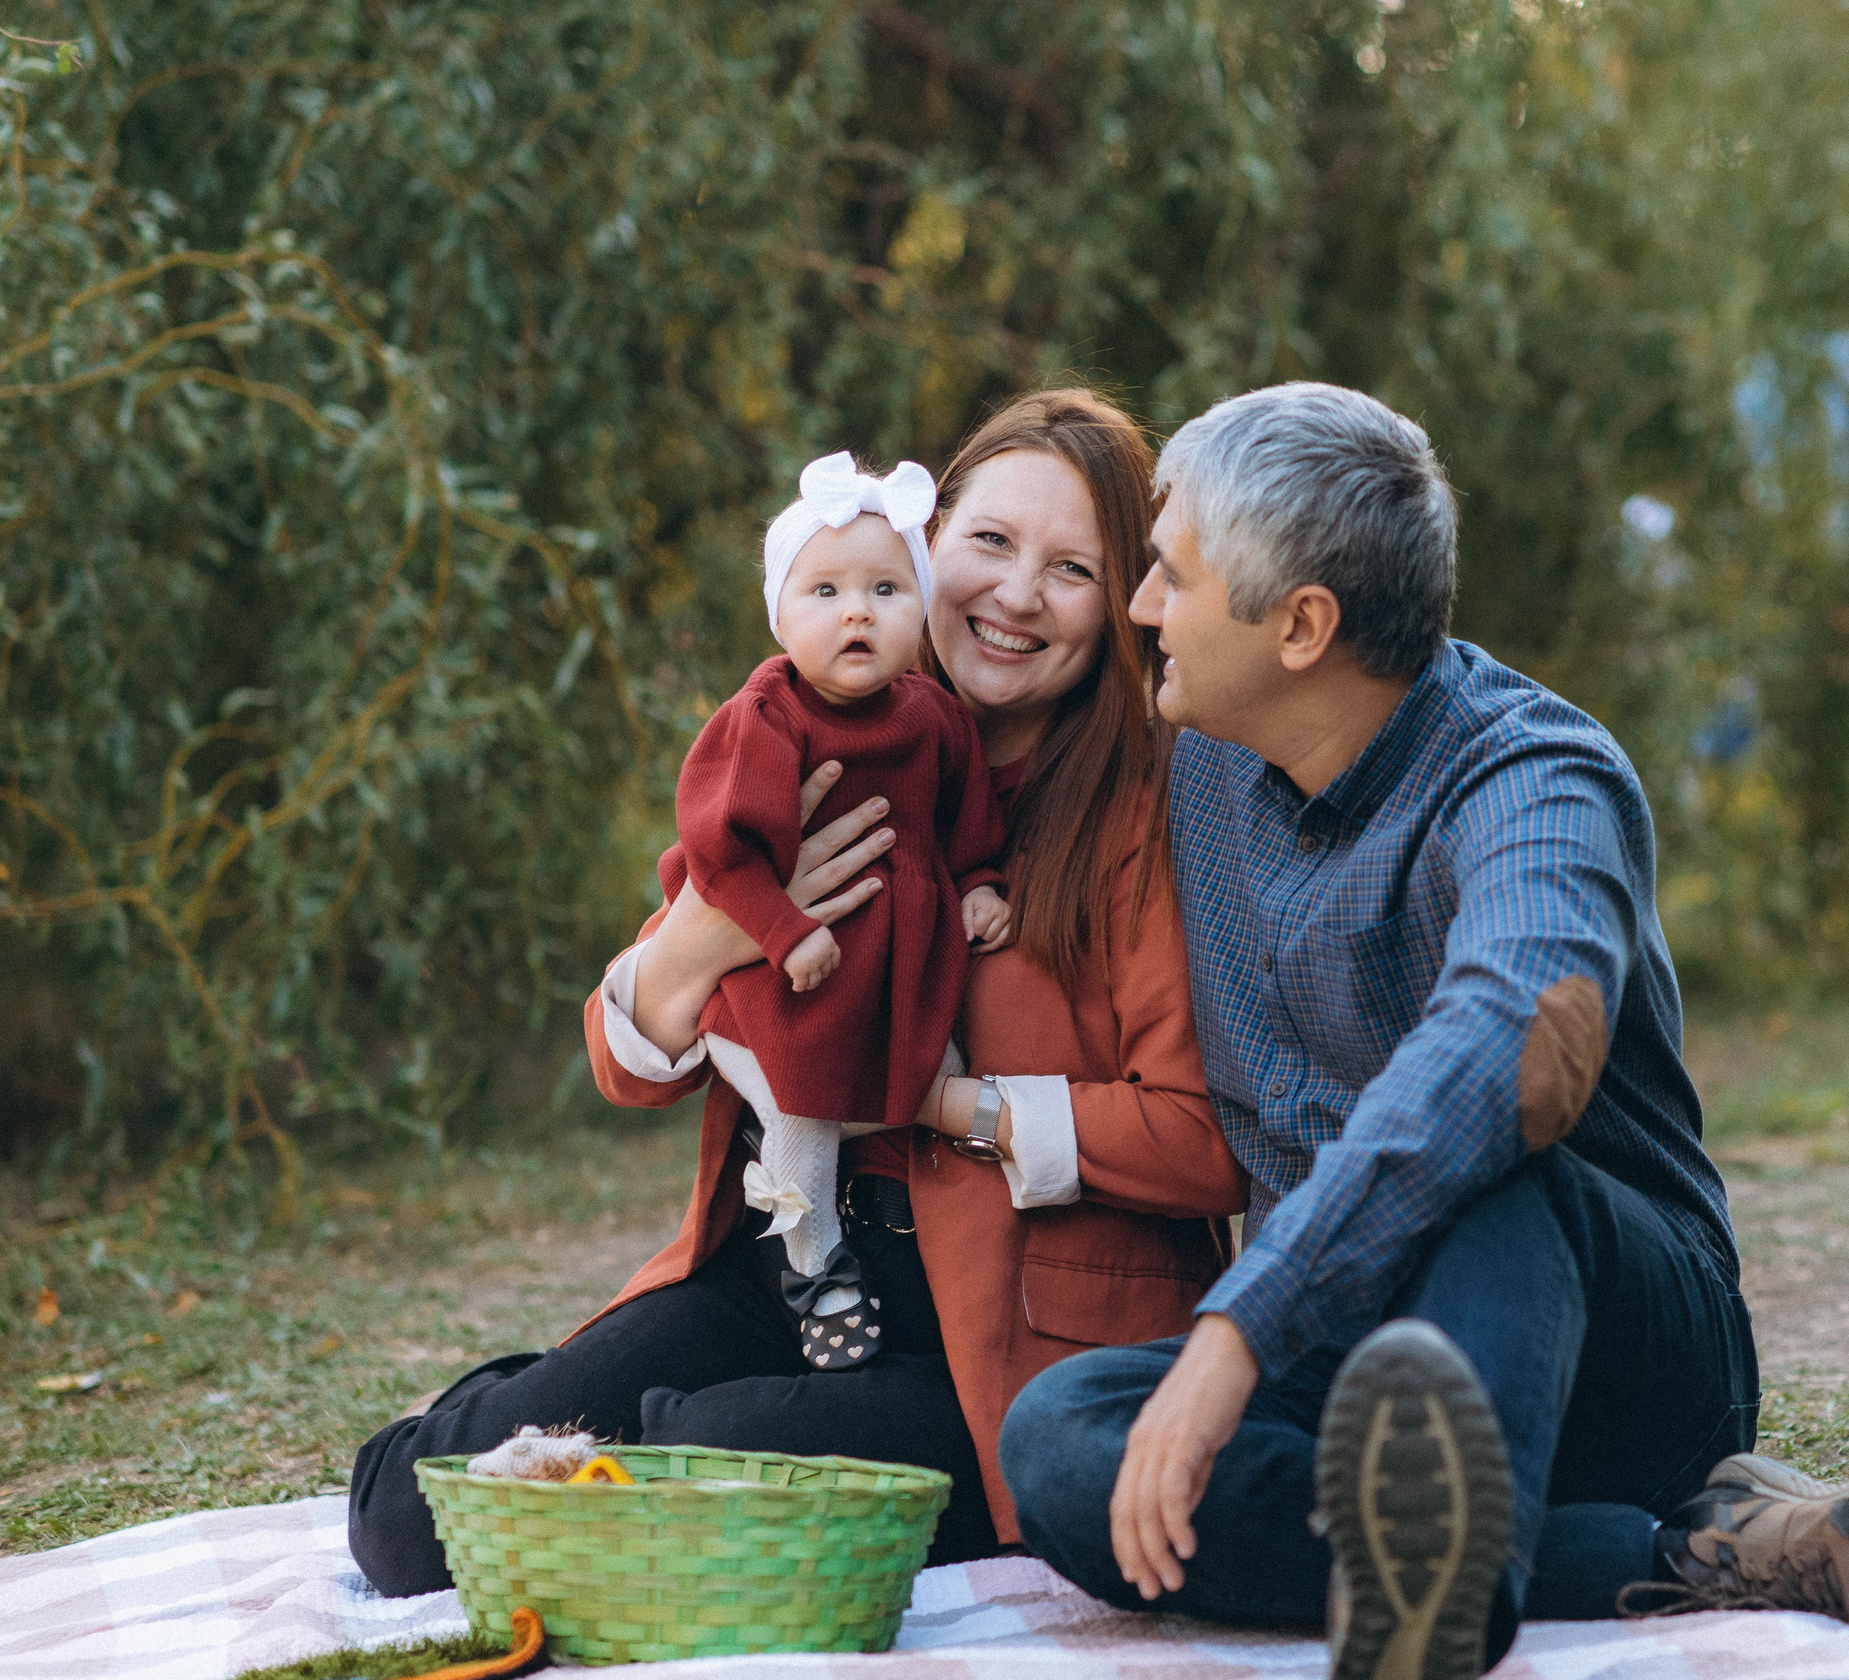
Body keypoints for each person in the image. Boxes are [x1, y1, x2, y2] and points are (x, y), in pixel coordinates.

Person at [999, 383, 1849, 1680]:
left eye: (1170, 575)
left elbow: (1511, 1046)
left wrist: (1236, 1335)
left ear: (1303, 626)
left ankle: (1431, 1629)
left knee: (1490, 1154)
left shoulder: (1536, 779)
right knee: (1060, 1440)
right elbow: (960, 699)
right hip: (1354, 1353)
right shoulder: (1204, 746)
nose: (1141, 605)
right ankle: (1692, 1546)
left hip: (1608, 1343)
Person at [345, 390, 1249, 1597]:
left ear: (1122, 599)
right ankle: (504, 1398)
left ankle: (664, 1410)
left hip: (1004, 1334)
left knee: (705, 1456)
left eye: (1072, 567)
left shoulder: (1156, 805)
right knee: (416, 1523)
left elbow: (1204, 1139)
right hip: (789, 1266)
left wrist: (957, 1105)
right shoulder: (807, 728)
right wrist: (706, 936)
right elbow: (629, 1060)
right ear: (926, 549)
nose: (1016, 594)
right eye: (987, 544)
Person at [661, 452, 1010, 1371]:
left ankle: (952, 1263)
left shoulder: (934, 717)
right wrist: (784, 930)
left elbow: (968, 819)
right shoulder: (766, 716)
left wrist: (979, 885)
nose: (857, 610)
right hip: (787, 974)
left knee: (947, 1069)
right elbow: (720, 852)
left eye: (887, 588)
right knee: (802, 1109)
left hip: (894, 964)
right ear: (780, 616)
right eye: (824, 590)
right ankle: (818, 1271)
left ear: (920, 610)